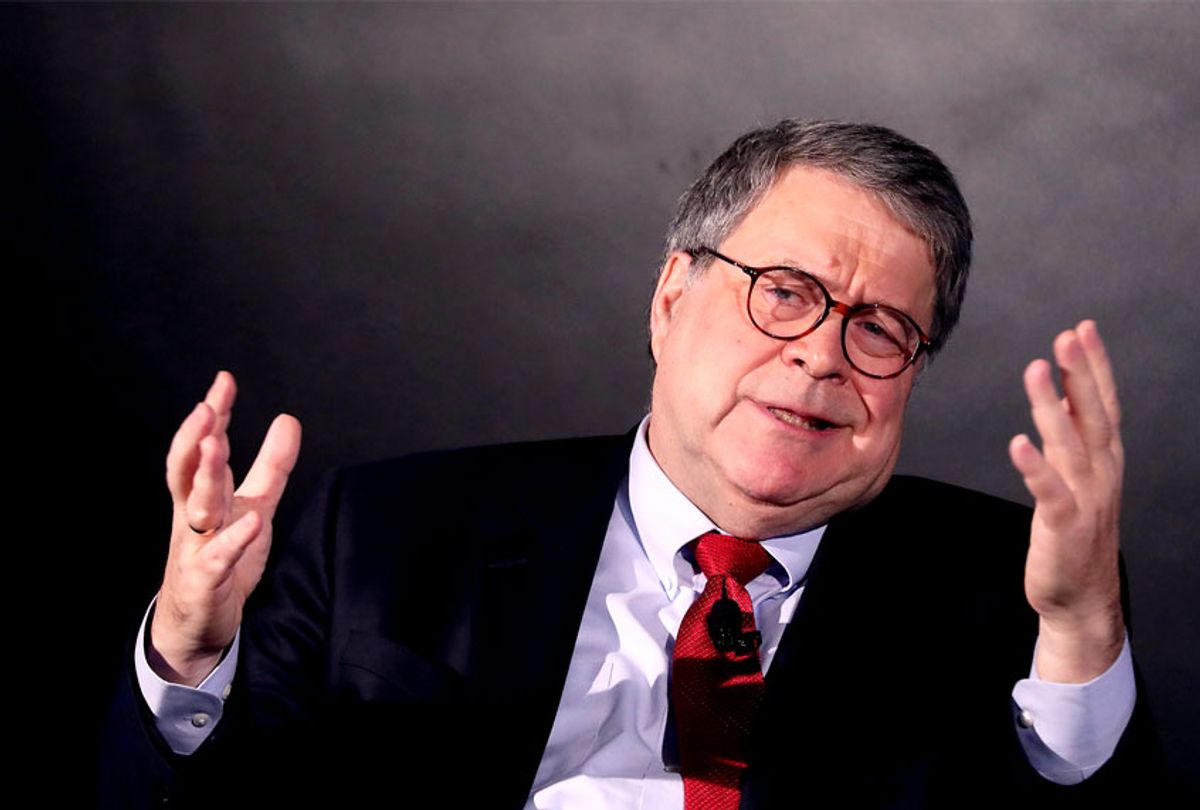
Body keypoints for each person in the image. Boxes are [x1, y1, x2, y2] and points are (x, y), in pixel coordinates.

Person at [103, 120, 1155, 808]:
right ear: (671, 300)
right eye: (784, 291)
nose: (822, 355)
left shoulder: (1016, 589)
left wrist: (1080, 632)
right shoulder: (379, 532)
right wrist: (189, 657)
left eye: (880, 328)